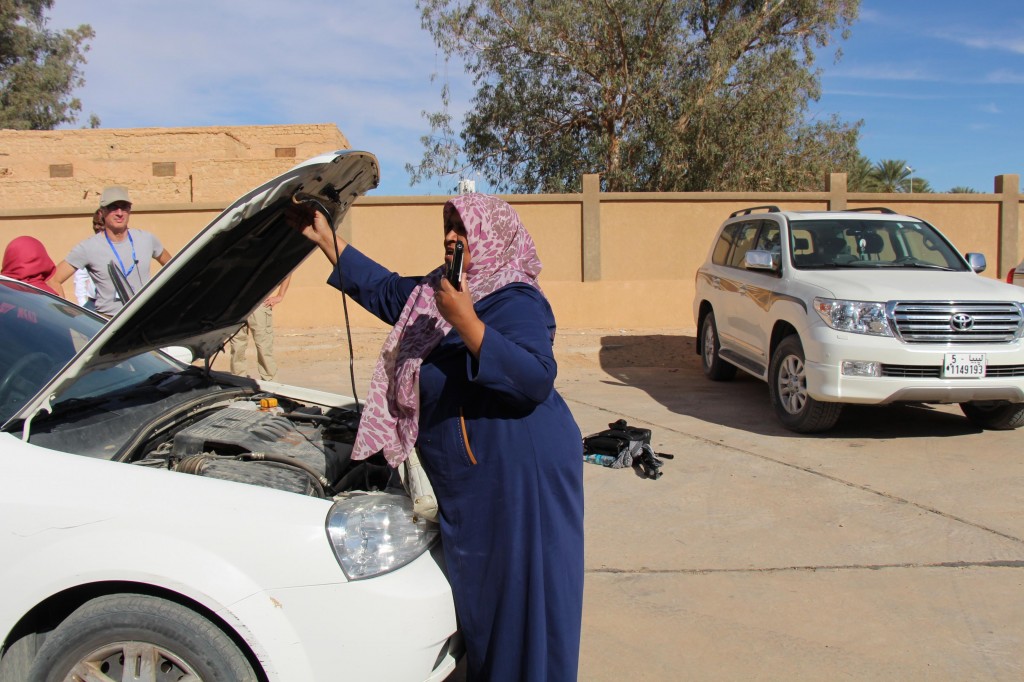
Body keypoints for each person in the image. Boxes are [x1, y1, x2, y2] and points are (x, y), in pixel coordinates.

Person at [295, 194, 584, 681]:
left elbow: (535, 377)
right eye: (448, 225)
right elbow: (388, 291)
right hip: (483, 473)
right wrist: (328, 240)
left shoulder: (514, 297)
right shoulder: (438, 291)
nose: (452, 235)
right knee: (489, 604)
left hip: (519, 474)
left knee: (519, 603)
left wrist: (467, 321)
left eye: (463, 228)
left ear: (491, 237)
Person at [51, 186, 172, 315]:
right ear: (102, 212)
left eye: (124, 207)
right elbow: (54, 280)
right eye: (113, 207)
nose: (120, 213)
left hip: (144, 318)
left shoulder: (146, 239)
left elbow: (173, 265)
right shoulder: (88, 247)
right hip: (109, 322)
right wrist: (65, 317)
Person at [229, 274, 291, 380]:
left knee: (264, 347)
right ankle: (238, 381)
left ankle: (269, 383)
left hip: (259, 304)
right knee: (237, 347)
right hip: (236, 305)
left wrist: (280, 295)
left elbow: (288, 271)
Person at [72, 210, 104, 309]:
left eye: (100, 224)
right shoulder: (89, 247)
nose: (96, 227)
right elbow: (80, 277)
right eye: (94, 223)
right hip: (93, 303)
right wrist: (82, 303)